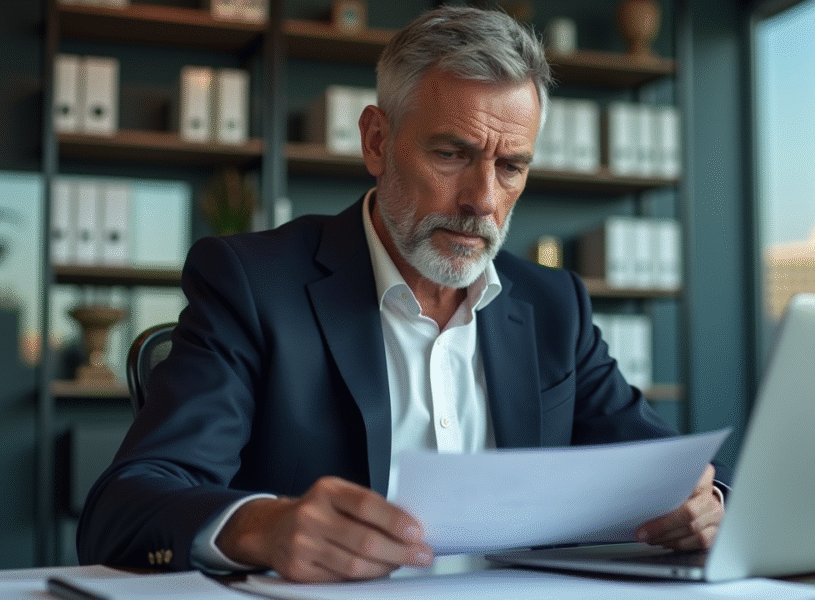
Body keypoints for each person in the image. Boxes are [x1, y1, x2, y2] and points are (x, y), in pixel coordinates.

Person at [77, 6, 729, 583]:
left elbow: (667, 470)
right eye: (452, 154)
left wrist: (704, 504)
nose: (482, 200)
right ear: (377, 142)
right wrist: (264, 528)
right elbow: (125, 507)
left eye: (511, 167)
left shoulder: (555, 305)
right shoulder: (252, 283)